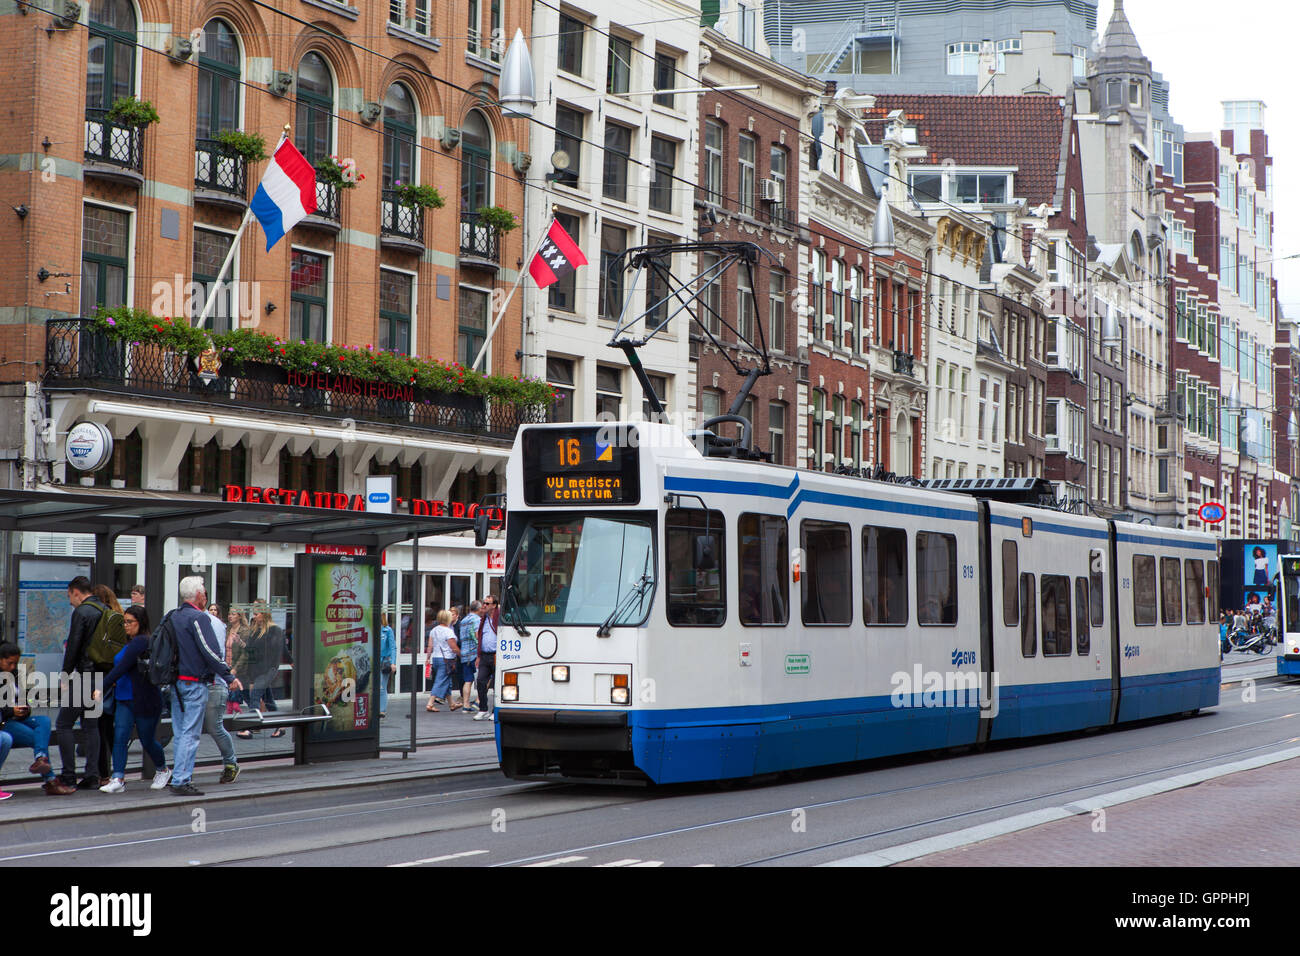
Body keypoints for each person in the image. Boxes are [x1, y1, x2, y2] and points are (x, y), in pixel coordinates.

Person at [168, 576, 242, 796]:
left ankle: (179, 777)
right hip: (194, 683)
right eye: (204, 592)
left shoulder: (172, 616)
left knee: (181, 732)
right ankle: (182, 780)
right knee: (191, 734)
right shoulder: (199, 618)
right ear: (199, 595)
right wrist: (229, 677)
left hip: (175, 684)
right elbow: (210, 652)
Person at [95, 606, 171, 793]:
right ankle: (118, 778)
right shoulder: (131, 643)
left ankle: (163, 769)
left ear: (141, 622)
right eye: (124, 622)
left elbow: (121, 668)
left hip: (144, 699)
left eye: (130, 622)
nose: (126, 626)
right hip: (124, 697)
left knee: (147, 740)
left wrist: (100, 687)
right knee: (120, 738)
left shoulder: (142, 642)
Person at [55, 576, 105, 790]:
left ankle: (68, 775)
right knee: (91, 725)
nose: (70, 602)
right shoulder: (105, 609)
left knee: (63, 724)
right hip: (101, 678)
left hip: (85, 675)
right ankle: (92, 775)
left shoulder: (82, 612)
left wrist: (65, 675)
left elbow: (74, 645)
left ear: (76, 592)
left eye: (69, 596)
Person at [0, 642, 71, 793]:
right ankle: (50, 779)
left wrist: (25, 709)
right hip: (5, 722)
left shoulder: (14, 675)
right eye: (9, 663)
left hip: (18, 718)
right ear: (1, 659)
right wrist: (12, 711)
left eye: (15, 663)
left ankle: (41, 760)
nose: (13, 667)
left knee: (44, 721)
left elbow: (24, 699)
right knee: (39, 739)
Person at [425, 610, 460, 712]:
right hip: (446, 659)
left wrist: (428, 658)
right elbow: (453, 647)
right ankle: (430, 703)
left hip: (436, 658)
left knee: (447, 681)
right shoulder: (448, 631)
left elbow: (430, 646)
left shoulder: (434, 630)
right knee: (440, 681)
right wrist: (462, 655)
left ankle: (452, 703)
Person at [473, 596, 499, 721]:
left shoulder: (499, 617)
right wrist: (478, 656)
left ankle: (495, 711)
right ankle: (483, 709)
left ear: (494, 605)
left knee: (496, 685)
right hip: (484, 655)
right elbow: (480, 638)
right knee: (481, 681)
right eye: (483, 603)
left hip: (496, 655)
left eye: (487, 603)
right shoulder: (483, 619)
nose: (484, 605)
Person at [459, 601, 481, 715]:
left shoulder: (463, 621)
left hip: (464, 654)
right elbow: (477, 635)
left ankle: (465, 705)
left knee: (468, 681)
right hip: (474, 653)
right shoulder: (477, 620)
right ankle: (478, 701)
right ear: (478, 609)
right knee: (485, 678)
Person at [379, 612, 396, 719]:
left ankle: (381, 710)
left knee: (381, 686)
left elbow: (393, 647)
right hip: (372, 661)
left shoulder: (387, 630)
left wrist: (393, 662)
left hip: (384, 661)